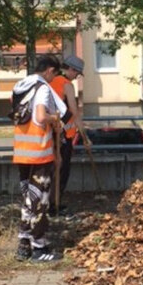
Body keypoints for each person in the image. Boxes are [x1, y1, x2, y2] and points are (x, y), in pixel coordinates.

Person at [13, 55, 72, 262]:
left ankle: (23, 244)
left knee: (28, 199)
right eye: (54, 73)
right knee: (40, 200)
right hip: (39, 152)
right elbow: (39, 117)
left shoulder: (21, 86)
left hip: (22, 151)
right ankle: (39, 247)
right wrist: (54, 118)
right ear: (49, 70)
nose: (54, 77)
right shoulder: (43, 88)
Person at [49, 54, 85, 213]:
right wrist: (83, 133)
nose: (77, 77)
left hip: (49, 131)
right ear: (70, 69)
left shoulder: (50, 81)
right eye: (76, 73)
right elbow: (74, 111)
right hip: (63, 134)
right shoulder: (66, 85)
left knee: (51, 169)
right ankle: (54, 205)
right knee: (62, 170)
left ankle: (50, 203)